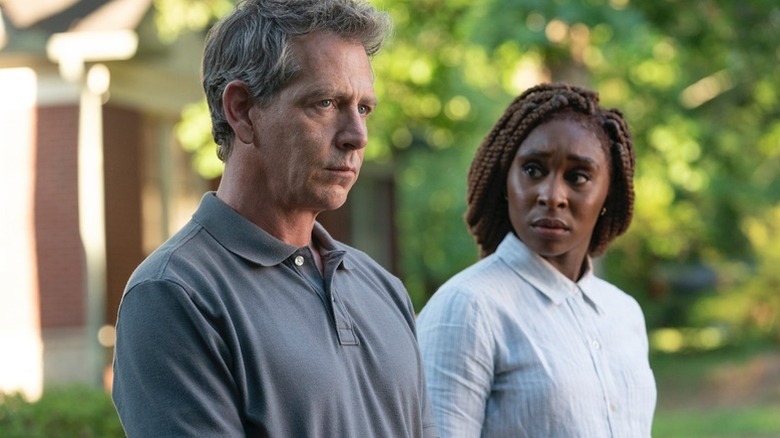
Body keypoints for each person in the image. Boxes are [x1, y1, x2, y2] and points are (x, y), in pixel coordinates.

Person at [111, 1, 438, 436]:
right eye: (325, 103)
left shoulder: (383, 289)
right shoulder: (174, 296)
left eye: (363, 109)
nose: (357, 136)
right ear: (242, 110)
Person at [416, 83, 657, 437]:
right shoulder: (468, 308)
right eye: (532, 170)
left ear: (609, 192)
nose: (551, 195)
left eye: (578, 177)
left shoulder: (624, 313)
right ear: (505, 180)